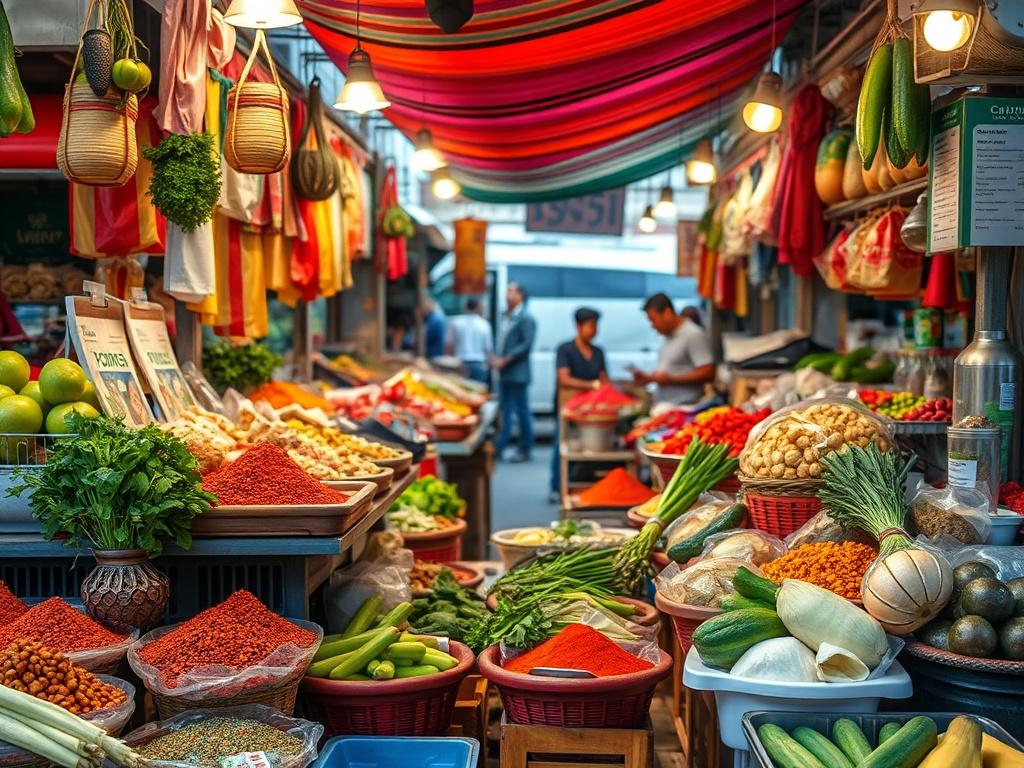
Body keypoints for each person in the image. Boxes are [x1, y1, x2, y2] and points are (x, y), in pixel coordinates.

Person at [550, 307, 608, 501]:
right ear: (579, 326)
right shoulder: (565, 349)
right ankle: (556, 487)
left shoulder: (598, 352)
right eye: (591, 325)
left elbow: (604, 380)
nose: (594, 330)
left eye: (596, 325)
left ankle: (581, 483)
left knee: (587, 447)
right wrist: (591, 385)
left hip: (591, 409)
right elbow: (564, 379)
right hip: (568, 407)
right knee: (562, 444)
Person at [633, 293, 714, 405]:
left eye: (653, 319)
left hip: (685, 408)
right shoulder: (669, 336)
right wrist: (650, 378)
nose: (652, 326)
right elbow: (673, 369)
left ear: (667, 313)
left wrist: (671, 379)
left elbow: (708, 372)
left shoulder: (693, 334)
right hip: (666, 409)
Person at [492, 282, 536, 462]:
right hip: (505, 373)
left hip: (517, 373)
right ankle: (500, 446)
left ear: (520, 296)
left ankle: (525, 448)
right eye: (507, 291)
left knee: (522, 411)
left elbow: (526, 345)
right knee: (505, 411)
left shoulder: (526, 318)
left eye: (511, 291)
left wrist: (506, 358)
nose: (507, 295)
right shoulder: (507, 316)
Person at [446, 297, 493, 386]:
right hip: (479, 365)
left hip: (459, 363)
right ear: (479, 308)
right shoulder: (484, 324)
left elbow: (449, 346)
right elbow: (488, 349)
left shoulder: (455, 322)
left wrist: (450, 363)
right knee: (478, 394)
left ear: (465, 307)